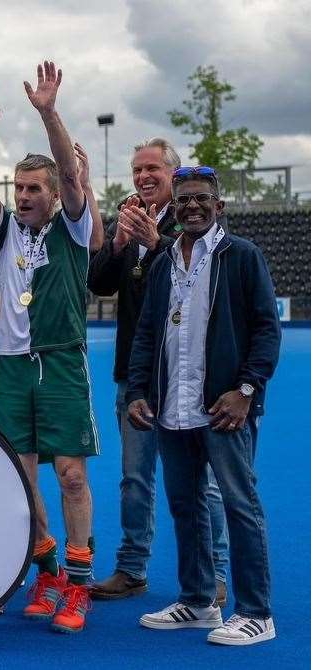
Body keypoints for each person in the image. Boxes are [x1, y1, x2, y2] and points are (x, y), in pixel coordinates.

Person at [0, 63, 104, 633]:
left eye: (33, 189)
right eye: (18, 188)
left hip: (60, 362)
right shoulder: (4, 233)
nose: (23, 196)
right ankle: (46, 568)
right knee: (20, 476)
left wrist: (49, 112)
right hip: (13, 367)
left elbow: (73, 179)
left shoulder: (72, 227)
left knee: (70, 474)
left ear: (53, 195)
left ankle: (78, 584)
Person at [129, 166, 281, 646]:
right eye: (184, 200)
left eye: (201, 199)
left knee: (240, 504)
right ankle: (198, 602)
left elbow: (266, 329)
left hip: (224, 407)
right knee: (184, 505)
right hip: (173, 406)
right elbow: (148, 332)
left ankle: (257, 611)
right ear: (173, 208)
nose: (192, 206)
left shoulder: (243, 257)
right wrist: (137, 390)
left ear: (219, 207)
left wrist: (247, 390)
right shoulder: (162, 264)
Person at [88, 138, 229, 604]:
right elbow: (101, 285)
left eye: (152, 169)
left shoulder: (195, 218)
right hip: (137, 372)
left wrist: (158, 245)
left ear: (174, 173)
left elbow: (202, 278)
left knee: (199, 480)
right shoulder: (129, 216)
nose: (143, 177)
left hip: (189, 373)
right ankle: (132, 568)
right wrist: (119, 244)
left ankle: (217, 572)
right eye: (136, 170)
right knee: (134, 478)